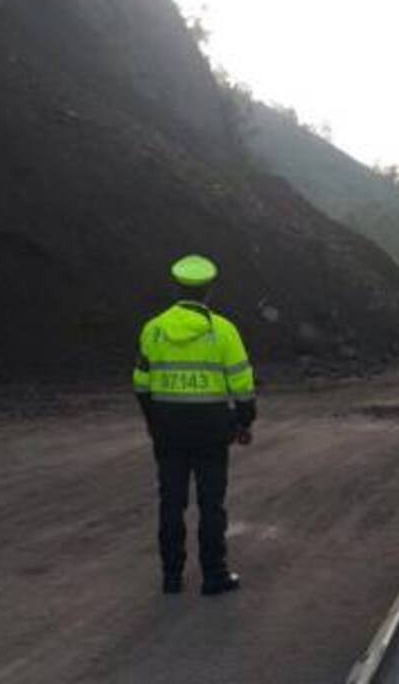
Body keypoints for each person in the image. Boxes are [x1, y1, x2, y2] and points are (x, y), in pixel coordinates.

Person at [132, 254, 257, 596]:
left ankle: (171, 577)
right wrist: (244, 421)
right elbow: (243, 385)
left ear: (176, 288)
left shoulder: (153, 329)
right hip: (212, 432)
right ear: (209, 290)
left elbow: (141, 384)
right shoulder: (224, 331)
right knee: (211, 504)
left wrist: (153, 421)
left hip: (168, 431)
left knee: (171, 502)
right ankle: (214, 576)